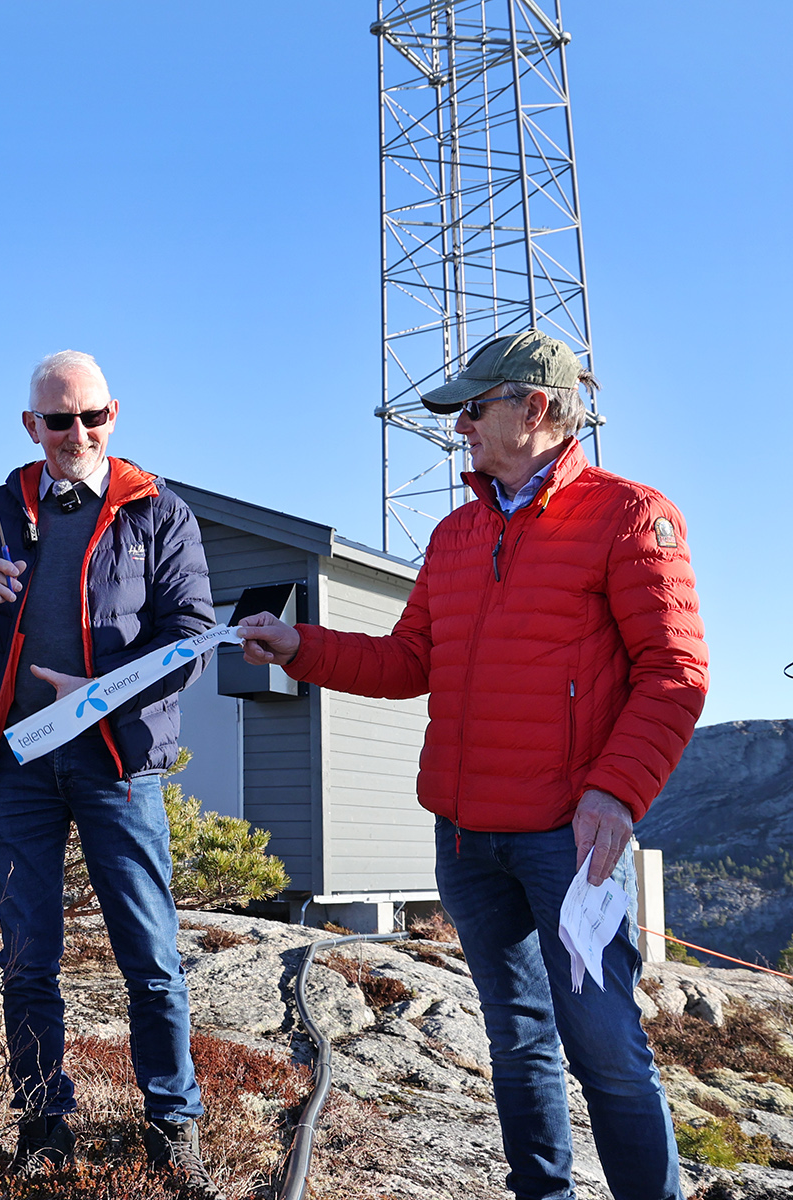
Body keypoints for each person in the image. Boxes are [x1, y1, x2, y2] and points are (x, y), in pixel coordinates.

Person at [236, 331, 705, 1200]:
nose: (457, 427)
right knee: (516, 1041)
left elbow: (675, 675)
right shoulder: (454, 535)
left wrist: (615, 791)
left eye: (471, 408)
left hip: (571, 845)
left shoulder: (632, 515)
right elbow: (410, 660)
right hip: (465, 841)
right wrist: (299, 645)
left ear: (536, 408)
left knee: (604, 1049)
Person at [0, 351, 218, 1183]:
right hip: (15, 769)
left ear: (114, 414)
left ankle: (174, 1127)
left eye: (91, 416)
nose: (77, 433)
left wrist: (101, 694)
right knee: (28, 960)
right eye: (59, 420)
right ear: (31, 426)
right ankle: (43, 1124)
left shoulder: (160, 513)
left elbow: (190, 639)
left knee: (151, 957)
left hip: (118, 768)